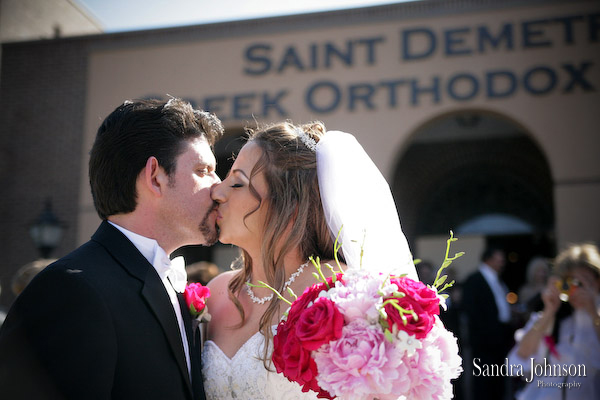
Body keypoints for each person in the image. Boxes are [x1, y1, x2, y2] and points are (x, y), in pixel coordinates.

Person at [0, 98, 223, 400]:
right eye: (204, 170)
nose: (218, 185)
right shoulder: (70, 291)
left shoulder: (172, 287)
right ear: (155, 177)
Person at [202, 122, 417, 399]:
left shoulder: (343, 292)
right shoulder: (217, 293)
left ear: (289, 205)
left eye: (237, 183)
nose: (217, 193)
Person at [507, 243, 600, 400]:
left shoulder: (596, 315)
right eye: (571, 283)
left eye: (584, 282)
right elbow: (519, 358)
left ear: (597, 283)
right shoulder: (555, 316)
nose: (577, 290)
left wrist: (593, 313)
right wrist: (549, 312)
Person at [462, 246, 514, 400]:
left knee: (497, 381)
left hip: (499, 338)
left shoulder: (497, 280)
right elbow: (470, 310)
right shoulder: (474, 279)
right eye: (499, 259)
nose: (502, 263)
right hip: (484, 342)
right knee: (484, 382)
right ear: (489, 259)